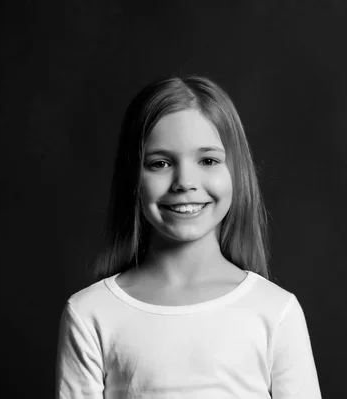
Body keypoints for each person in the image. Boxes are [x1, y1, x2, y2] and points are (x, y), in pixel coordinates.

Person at [55, 75, 322, 398]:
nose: (185, 182)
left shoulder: (275, 311)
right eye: (160, 163)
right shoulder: (90, 314)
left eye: (208, 160)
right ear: (133, 178)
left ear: (236, 171)